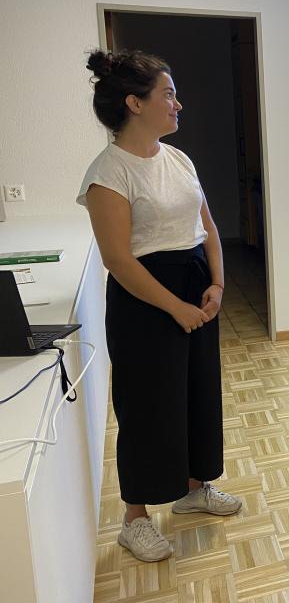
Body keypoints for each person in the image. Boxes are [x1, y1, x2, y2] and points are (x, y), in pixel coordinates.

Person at [78, 49, 241, 563]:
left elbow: (208, 227)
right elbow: (119, 260)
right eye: (167, 94)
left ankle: (195, 487)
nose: (178, 103)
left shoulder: (178, 158)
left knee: (196, 393)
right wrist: (175, 307)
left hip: (194, 284)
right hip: (146, 299)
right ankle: (135, 517)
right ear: (134, 102)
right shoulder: (108, 172)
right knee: (149, 405)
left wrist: (216, 284)